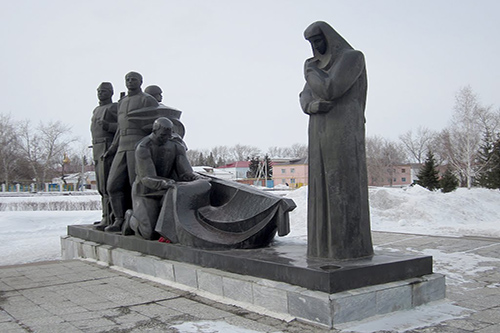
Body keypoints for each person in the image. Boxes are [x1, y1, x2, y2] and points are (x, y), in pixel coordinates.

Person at [299, 21, 373, 260]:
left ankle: (348, 248)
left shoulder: (352, 58)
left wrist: (309, 71)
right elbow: (304, 95)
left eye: (317, 40)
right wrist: (311, 106)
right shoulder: (318, 66)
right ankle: (322, 248)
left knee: (341, 185)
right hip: (319, 128)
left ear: (329, 38)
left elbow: (331, 88)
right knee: (321, 186)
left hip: (343, 130)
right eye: (311, 43)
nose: (315, 47)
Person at [123, 117, 200, 239]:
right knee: (149, 233)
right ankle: (130, 218)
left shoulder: (175, 145)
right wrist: (165, 183)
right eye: (163, 135)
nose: (166, 138)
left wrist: (196, 178)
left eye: (168, 135)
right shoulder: (143, 147)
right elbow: (147, 178)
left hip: (168, 191)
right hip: (146, 192)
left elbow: (185, 172)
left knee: (170, 230)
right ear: (154, 131)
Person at [104, 72, 159, 232]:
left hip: (137, 146)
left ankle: (138, 222)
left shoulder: (147, 99)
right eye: (127, 79)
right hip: (122, 147)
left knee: (136, 186)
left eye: (133, 79)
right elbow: (119, 130)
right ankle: (119, 219)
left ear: (140, 82)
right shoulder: (122, 102)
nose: (130, 82)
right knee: (113, 185)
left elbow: (154, 125)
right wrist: (112, 149)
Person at [90, 82, 117, 230]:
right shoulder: (96, 110)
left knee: (108, 184)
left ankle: (110, 217)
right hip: (97, 147)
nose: (100, 93)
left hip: (107, 146)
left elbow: (122, 127)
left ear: (111, 92)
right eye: (99, 90)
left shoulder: (114, 107)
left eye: (104, 91)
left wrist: (108, 126)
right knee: (100, 185)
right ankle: (104, 215)